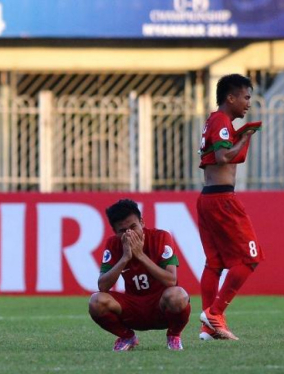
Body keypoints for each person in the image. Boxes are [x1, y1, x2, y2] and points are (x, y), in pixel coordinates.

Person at [197, 74, 264, 341]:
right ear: (231, 97)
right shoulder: (221, 120)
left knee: (214, 264)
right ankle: (215, 313)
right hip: (222, 200)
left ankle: (208, 327)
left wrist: (242, 135)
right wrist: (245, 138)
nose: (248, 103)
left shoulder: (215, 121)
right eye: (246, 97)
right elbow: (224, 156)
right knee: (251, 257)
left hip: (208, 198)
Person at [88, 199, 190, 351]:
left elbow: (171, 280)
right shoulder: (113, 244)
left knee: (178, 295)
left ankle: (174, 336)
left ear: (142, 222)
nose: (130, 233)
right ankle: (127, 337)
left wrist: (140, 255)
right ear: (115, 232)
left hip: (160, 306)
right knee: (96, 301)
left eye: (133, 227)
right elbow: (102, 285)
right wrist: (125, 258)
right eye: (123, 231)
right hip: (133, 307)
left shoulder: (161, 237)